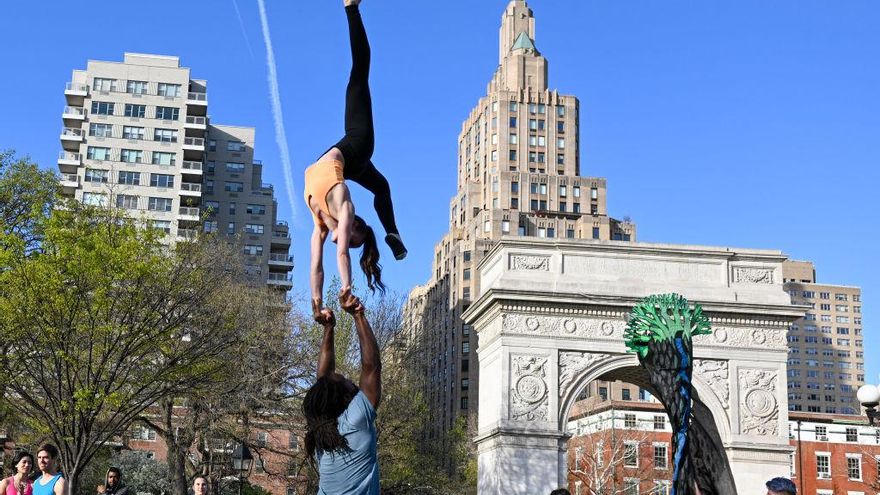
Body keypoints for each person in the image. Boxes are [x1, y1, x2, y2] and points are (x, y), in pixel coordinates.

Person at [305, 0, 407, 311]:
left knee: (382, 186)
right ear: (356, 227)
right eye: (352, 238)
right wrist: (347, 288)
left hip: (349, 162)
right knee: (359, 72)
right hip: (356, 146)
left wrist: (317, 303)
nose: (346, 240)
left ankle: (392, 230)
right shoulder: (345, 209)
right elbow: (340, 256)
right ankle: (351, 7)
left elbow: (316, 266)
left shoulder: (320, 225)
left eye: (350, 241)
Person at [303, 288, 381, 494]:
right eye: (345, 380)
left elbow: (323, 381)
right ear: (346, 397)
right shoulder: (355, 422)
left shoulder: (322, 432)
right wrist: (357, 314)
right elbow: (371, 366)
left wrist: (329, 328)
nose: (349, 378)